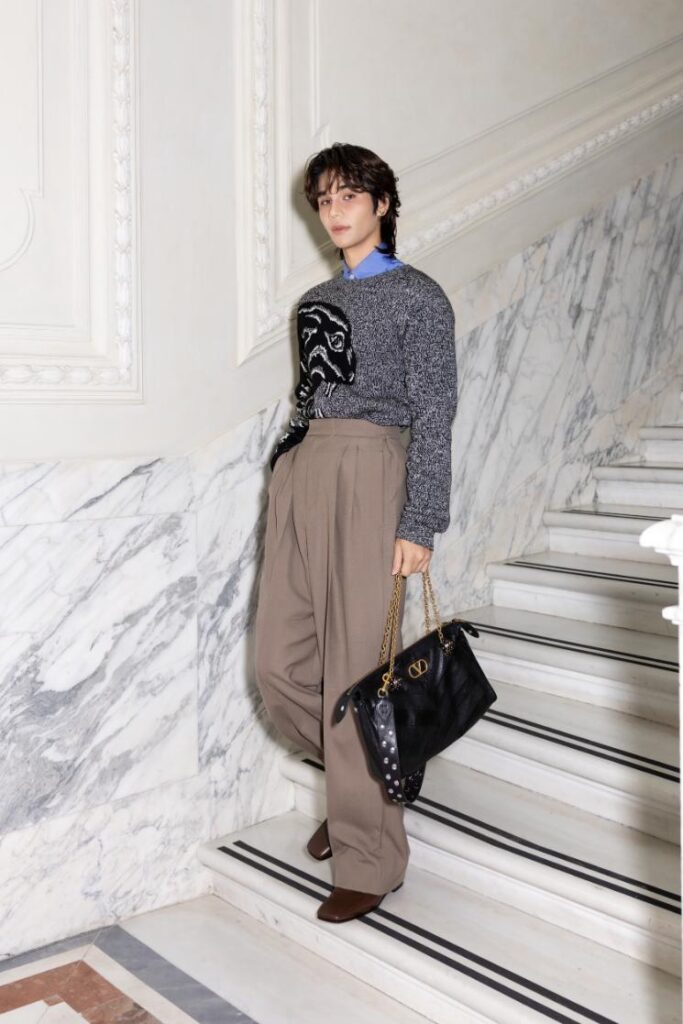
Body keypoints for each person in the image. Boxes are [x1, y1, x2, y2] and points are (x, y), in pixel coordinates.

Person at [254, 142, 458, 923]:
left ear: (381, 204)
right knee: (276, 664)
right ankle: (355, 783)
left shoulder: (418, 297)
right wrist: (284, 475)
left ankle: (370, 857)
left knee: (355, 667)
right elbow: (310, 396)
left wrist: (420, 519)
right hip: (305, 473)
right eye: (324, 199)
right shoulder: (313, 302)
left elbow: (433, 414)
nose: (334, 211)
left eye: (349, 196)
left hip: (374, 471)